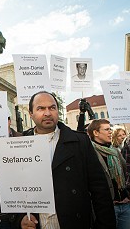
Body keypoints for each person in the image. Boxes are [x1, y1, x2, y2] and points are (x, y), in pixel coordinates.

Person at [16, 91, 115, 229]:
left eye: (52, 107)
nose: (47, 113)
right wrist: (21, 219)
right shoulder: (17, 145)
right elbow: (15, 191)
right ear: (31, 113)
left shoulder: (80, 142)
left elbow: (100, 190)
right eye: (41, 108)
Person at [87, 119, 130, 229]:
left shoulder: (114, 151)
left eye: (110, 129)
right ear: (96, 133)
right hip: (107, 207)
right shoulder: (89, 153)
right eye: (106, 129)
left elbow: (126, 172)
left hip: (124, 204)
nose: (110, 132)